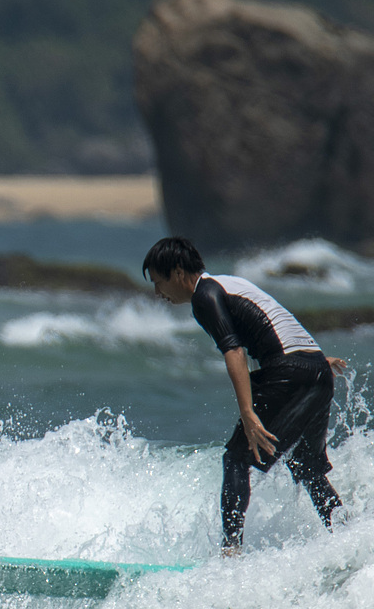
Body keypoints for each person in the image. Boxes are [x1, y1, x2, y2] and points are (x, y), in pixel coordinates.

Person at [143, 236, 348, 552]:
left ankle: (231, 552)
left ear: (178, 273)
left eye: (159, 282)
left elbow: (234, 351)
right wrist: (317, 362)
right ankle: (349, 536)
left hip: (292, 371)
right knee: (306, 468)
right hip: (317, 371)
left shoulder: (204, 297)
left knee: (236, 458)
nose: (158, 293)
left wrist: (248, 412)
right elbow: (276, 318)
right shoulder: (227, 283)